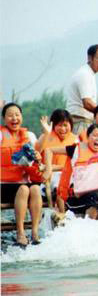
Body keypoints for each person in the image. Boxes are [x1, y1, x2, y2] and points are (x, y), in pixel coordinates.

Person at [43, 124, 98, 219]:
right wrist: (48, 169)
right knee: (96, 196)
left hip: (96, 195)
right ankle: (89, 226)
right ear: (88, 137)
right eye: (94, 135)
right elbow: (49, 150)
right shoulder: (75, 149)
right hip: (74, 198)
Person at [0, 103, 43, 246]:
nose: (14, 118)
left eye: (17, 115)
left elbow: (38, 157)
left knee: (35, 189)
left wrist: (37, 156)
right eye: (10, 115)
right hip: (4, 186)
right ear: (4, 119)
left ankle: (35, 232)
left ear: (21, 117)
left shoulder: (29, 136)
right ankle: (20, 232)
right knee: (24, 189)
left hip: (24, 182)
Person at [36, 109, 78, 213]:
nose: (63, 129)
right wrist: (46, 133)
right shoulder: (45, 137)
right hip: (50, 179)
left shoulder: (76, 140)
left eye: (65, 125)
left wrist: (53, 167)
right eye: (59, 125)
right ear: (53, 125)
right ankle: (61, 215)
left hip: (70, 175)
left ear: (71, 125)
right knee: (60, 185)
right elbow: (36, 153)